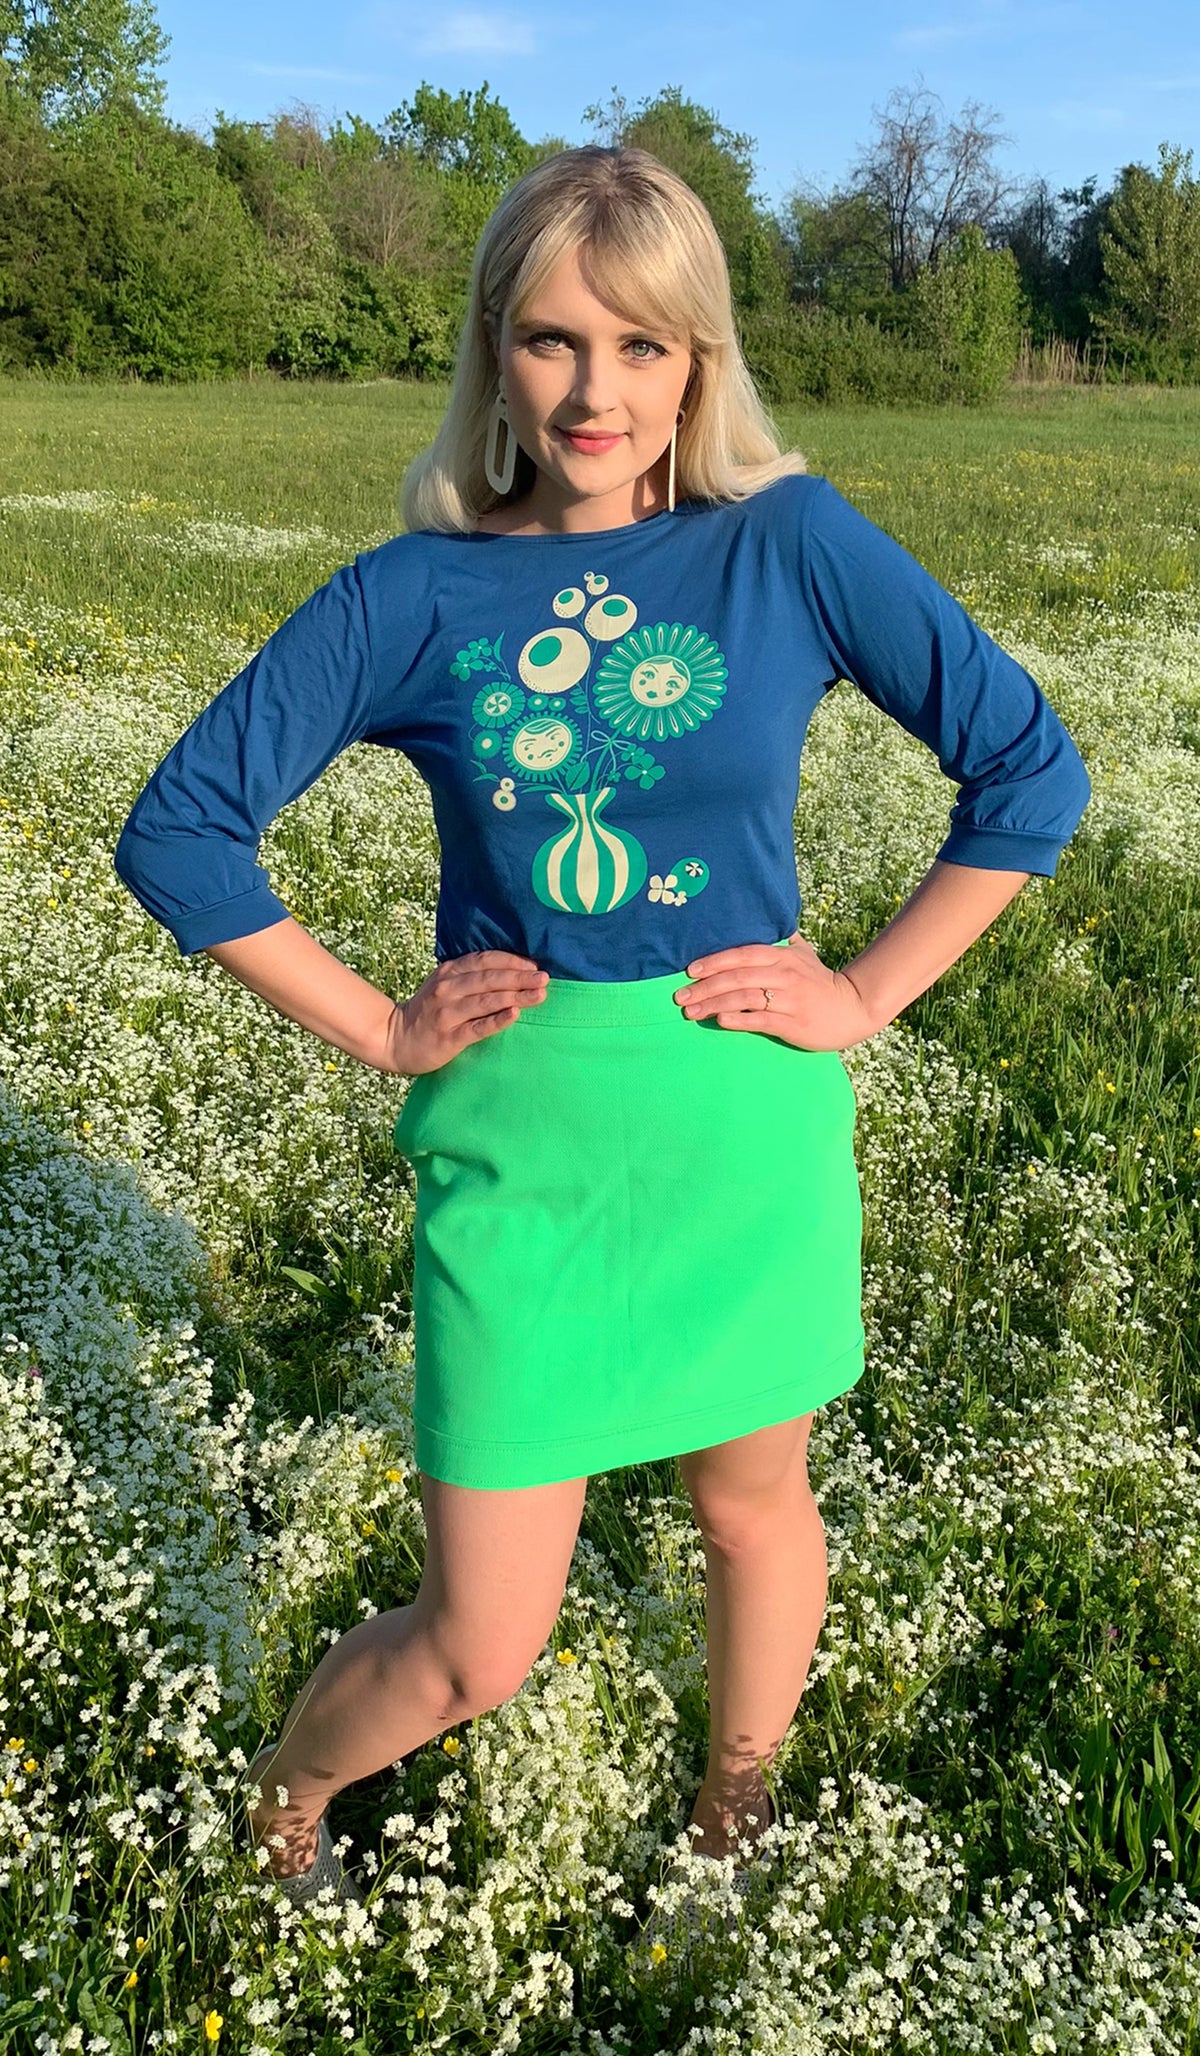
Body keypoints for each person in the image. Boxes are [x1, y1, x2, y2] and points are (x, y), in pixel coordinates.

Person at [112, 145, 1092, 1912]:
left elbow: (1029, 769)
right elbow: (178, 830)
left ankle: (736, 1812)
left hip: (744, 1119)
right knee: (485, 1639)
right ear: (494, 350)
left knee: (752, 1509)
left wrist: (864, 991)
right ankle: (283, 1798)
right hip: (528, 1144)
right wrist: (382, 1031)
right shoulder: (417, 593)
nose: (596, 392)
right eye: (555, 341)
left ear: (699, 360)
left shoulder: (786, 543)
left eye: (645, 347)